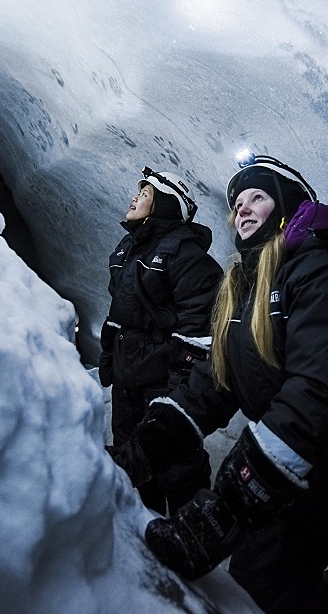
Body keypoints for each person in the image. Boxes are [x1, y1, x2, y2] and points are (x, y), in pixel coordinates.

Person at [111, 154, 328, 613]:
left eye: (257, 197)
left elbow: (320, 393)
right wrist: (146, 447)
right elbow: (215, 380)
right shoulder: (245, 293)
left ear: (288, 206)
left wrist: (230, 502)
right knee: (255, 597)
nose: (241, 209)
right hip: (287, 493)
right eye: (236, 203)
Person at [100, 167, 223, 515]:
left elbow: (201, 323)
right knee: (132, 465)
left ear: (165, 204)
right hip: (128, 381)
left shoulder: (185, 254)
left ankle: (191, 544)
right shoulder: (128, 249)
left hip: (162, 382)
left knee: (176, 465)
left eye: (145, 193)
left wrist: (181, 386)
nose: (134, 197)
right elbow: (121, 311)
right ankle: (146, 538)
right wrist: (110, 350)